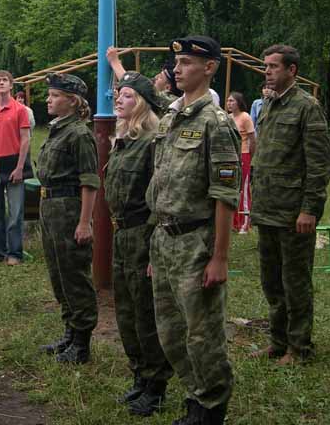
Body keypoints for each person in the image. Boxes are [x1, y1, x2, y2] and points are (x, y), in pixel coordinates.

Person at [146, 36, 240, 425]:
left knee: (202, 334)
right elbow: (160, 182)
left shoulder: (216, 123)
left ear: (209, 68)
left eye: (186, 62)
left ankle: (211, 407)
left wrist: (220, 257)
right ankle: (195, 394)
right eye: (176, 62)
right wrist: (156, 247)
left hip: (196, 241)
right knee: (170, 332)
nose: (177, 69)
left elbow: (225, 194)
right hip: (164, 239)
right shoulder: (171, 118)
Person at [250, 44, 330, 366]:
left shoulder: (306, 107)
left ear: (291, 70)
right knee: (272, 282)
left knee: (295, 282)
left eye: (273, 66)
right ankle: (278, 342)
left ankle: (299, 349)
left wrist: (309, 209)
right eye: (266, 66)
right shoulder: (270, 104)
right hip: (268, 209)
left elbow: (320, 162)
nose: (267, 71)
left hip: (293, 212)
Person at [104, 70, 173, 415]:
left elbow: (160, 198)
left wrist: (154, 250)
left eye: (128, 95)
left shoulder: (152, 143)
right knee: (126, 311)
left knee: (146, 313)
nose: (119, 99)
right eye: (119, 94)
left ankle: (156, 385)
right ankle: (140, 376)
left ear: (143, 103)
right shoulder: (123, 140)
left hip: (142, 234)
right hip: (121, 235)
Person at [37, 73, 100, 364]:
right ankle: (70, 333)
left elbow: (89, 181)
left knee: (74, 275)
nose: (48, 100)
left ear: (72, 101)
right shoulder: (58, 129)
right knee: (58, 274)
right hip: (51, 207)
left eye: (55, 96)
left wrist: (85, 222)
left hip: (69, 209)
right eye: (50, 95)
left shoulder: (79, 134)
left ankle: (82, 342)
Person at [0, 70, 31, 265]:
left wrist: (20, 168)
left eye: (5, 80)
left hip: (13, 166)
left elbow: (25, 139)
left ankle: (15, 253)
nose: (1, 83)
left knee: (15, 212)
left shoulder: (20, 110)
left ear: (11, 85)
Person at [226, 91, 256, 233]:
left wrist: (250, 156)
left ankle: (244, 223)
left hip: (243, 155)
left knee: (243, 189)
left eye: (232, 101)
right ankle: (233, 222)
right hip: (231, 156)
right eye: (228, 101)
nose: (229, 103)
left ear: (239, 102)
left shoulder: (245, 117)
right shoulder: (228, 118)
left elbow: (252, 139)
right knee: (232, 188)